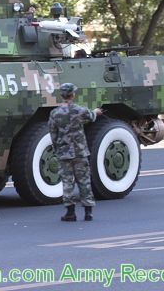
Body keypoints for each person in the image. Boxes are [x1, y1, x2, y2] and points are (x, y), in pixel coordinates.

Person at [48, 83, 103, 222]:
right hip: (80, 152)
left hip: (64, 153)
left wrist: (57, 148)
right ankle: (88, 212)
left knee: (67, 182)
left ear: (62, 95)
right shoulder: (80, 110)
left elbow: (53, 134)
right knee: (84, 181)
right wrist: (96, 112)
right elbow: (91, 117)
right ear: (73, 94)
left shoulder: (55, 113)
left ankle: (70, 212)